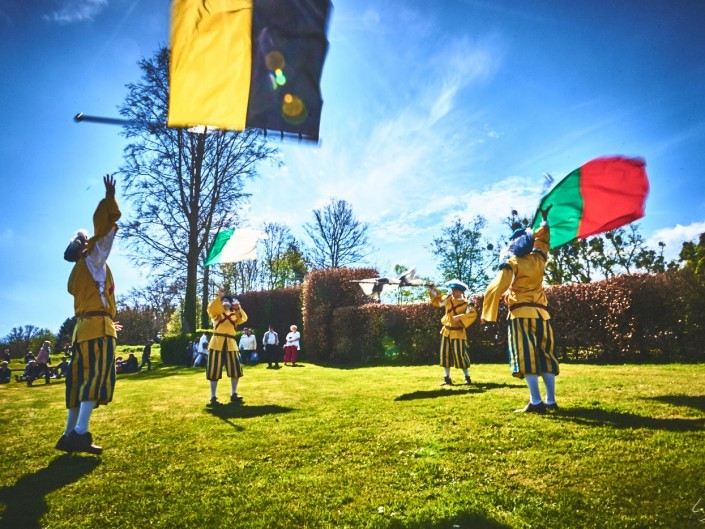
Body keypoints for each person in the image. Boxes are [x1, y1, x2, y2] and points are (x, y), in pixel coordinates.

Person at [55, 174, 122, 455]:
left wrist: (107, 317)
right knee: (96, 377)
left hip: (84, 329)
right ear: (84, 246)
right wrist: (109, 200)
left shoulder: (75, 274)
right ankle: (80, 434)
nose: (91, 241)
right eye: (86, 239)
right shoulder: (92, 259)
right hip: (96, 328)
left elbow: (92, 299)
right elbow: (104, 235)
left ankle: (69, 434)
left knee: (79, 381)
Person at [481, 205, 559, 413]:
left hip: (520, 316)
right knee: (545, 356)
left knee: (527, 357)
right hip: (542, 315)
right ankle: (551, 401)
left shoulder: (512, 263)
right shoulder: (539, 258)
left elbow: (497, 287)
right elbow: (543, 240)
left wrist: (487, 309)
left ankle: (535, 402)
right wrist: (544, 221)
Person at [429, 280, 477, 386]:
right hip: (446, 331)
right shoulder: (448, 299)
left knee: (460, 355)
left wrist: (461, 317)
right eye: (452, 289)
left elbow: (472, 315)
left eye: (455, 290)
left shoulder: (467, 303)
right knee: (445, 354)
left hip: (458, 332)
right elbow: (438, 300)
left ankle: (467, 378)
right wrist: (432, 289)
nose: (452, 291)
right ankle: (447, 378)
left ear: (460, 291)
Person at [206, 289, 247, 406]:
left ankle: (234, 393)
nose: (226, 302)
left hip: (231, 343)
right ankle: (213, 396)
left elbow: (243, 318)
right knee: (213, 370)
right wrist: (219, 298)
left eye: (228, 300)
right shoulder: (216, 314)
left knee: (235, 369)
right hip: (217, 343)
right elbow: (211, 309)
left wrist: (238, 308)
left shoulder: (235, 315)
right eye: (224, 300)